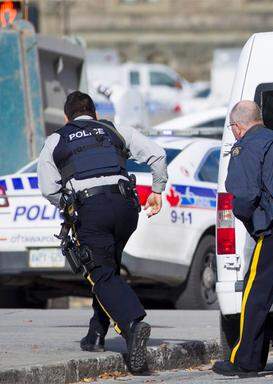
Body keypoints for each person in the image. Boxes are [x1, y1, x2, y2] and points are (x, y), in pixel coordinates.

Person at [37, 91, 167, 374]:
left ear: (66, 116)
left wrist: (70, 205)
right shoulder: (114, 129)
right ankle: (96, 333)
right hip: (125, 207)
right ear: (94, 113)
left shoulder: (57, 139)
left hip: (92, 209)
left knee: (99, 271)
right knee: (107, 269)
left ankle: (133, 324)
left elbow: (48, 188)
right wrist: (157, 190)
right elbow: (157, 155)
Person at [212, 100, 273, 378]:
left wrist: (255, 223)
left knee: (255, 294)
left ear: (237, 127)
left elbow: (242, 196)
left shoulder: (245, 146)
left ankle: (246, 361)